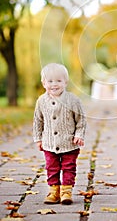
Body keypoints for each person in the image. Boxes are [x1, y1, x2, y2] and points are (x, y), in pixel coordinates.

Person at [33, 63, 86, 205]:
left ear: (65, 82)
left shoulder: (73, 100)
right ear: (44, 83)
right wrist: (38, 139)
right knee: (52, 167)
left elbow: (81, 119)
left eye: (58, 81)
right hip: (49, 143)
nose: (54, 84)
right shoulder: (41, 101)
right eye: (50, 81)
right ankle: (54, 191)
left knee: (69, 167)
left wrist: (79, 135)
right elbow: (38, 121)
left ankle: (66, 191)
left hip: (70, 143)